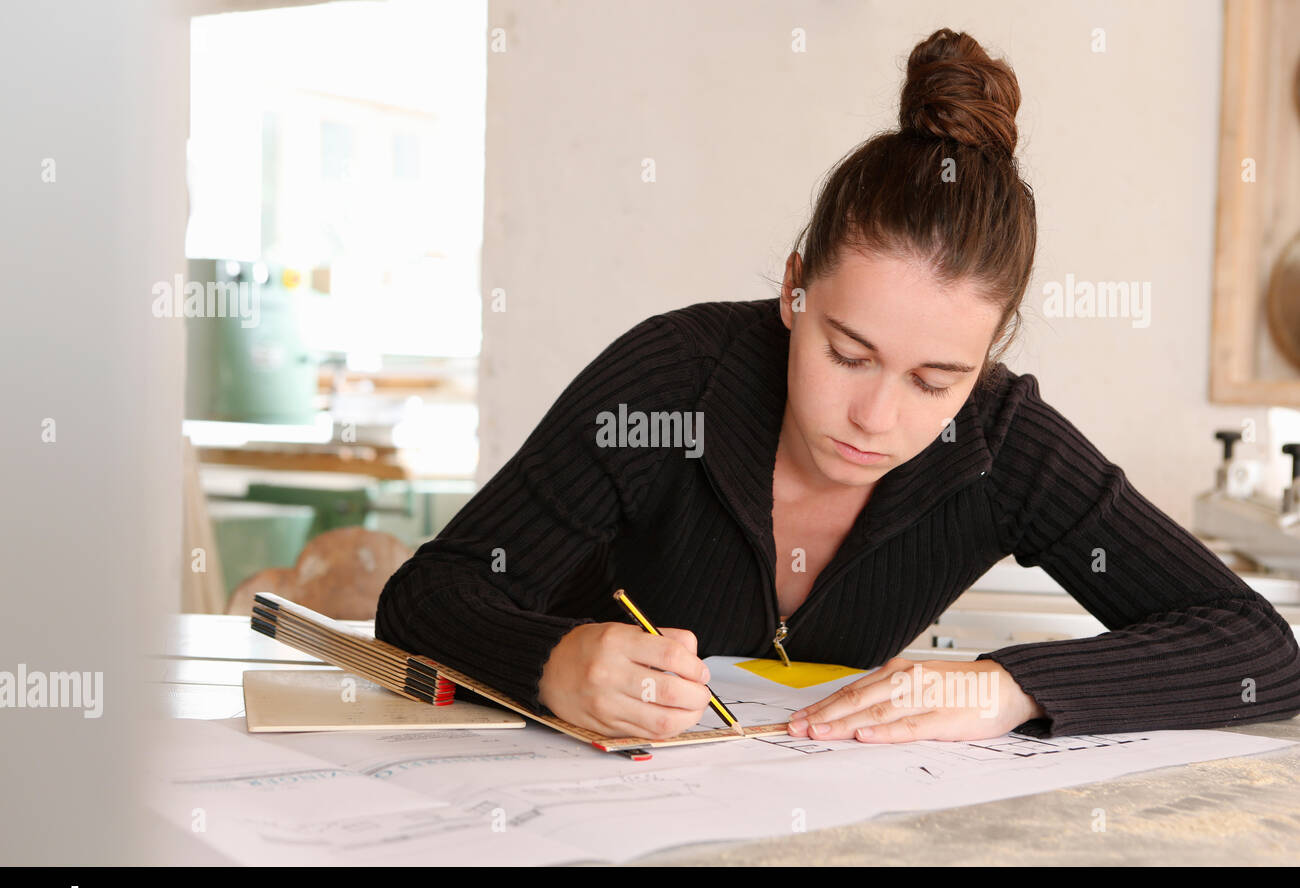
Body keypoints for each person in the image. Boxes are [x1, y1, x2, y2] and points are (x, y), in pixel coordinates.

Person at [376, 28, 1300, 744]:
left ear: (986, 357)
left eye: (937, 378)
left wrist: (1011, 686)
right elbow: (425, 597)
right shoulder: (669, 384)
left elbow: (1260, 648)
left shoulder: (1000, 443)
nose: (875, 417)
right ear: (794, 288)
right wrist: (552, 661)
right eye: (847, 354)